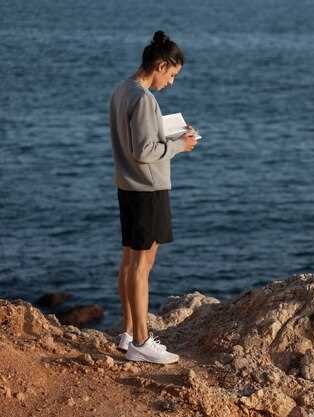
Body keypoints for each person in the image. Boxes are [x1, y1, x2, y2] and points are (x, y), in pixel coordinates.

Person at [108, 30, 197, 364]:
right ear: (160, 65)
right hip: (147, 188)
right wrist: (180, 145)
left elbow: (133, 141)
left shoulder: (121, 90)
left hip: (128, 186)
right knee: (142, 265)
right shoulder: (144, 99)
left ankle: (128, 333)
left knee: (130, 261)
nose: (171, 82)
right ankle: (142, 342)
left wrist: (168, 135)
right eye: (172, 75)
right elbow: (145, 151)